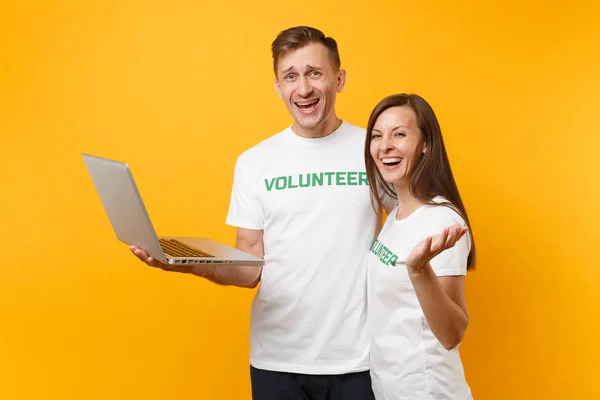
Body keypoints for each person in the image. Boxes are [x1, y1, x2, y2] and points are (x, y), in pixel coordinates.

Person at [131, 26, 394, 400]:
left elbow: (411, 225)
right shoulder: (255, 163)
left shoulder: (375, 149)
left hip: (360, 360)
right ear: (278, 87)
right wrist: (187, 263)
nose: (303, 89)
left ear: (339, 78)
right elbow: (249, 267)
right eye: (291, 76)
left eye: (314, 73)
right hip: (277, 361)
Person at [364, 93, 477, 400]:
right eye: (377, 135)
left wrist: (418, 270)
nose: (385, 145)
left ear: (426, 143)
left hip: (428, 391)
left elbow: (452, 333)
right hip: (389, 389)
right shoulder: (397, 216)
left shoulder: (440, 219)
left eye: (399, 134)